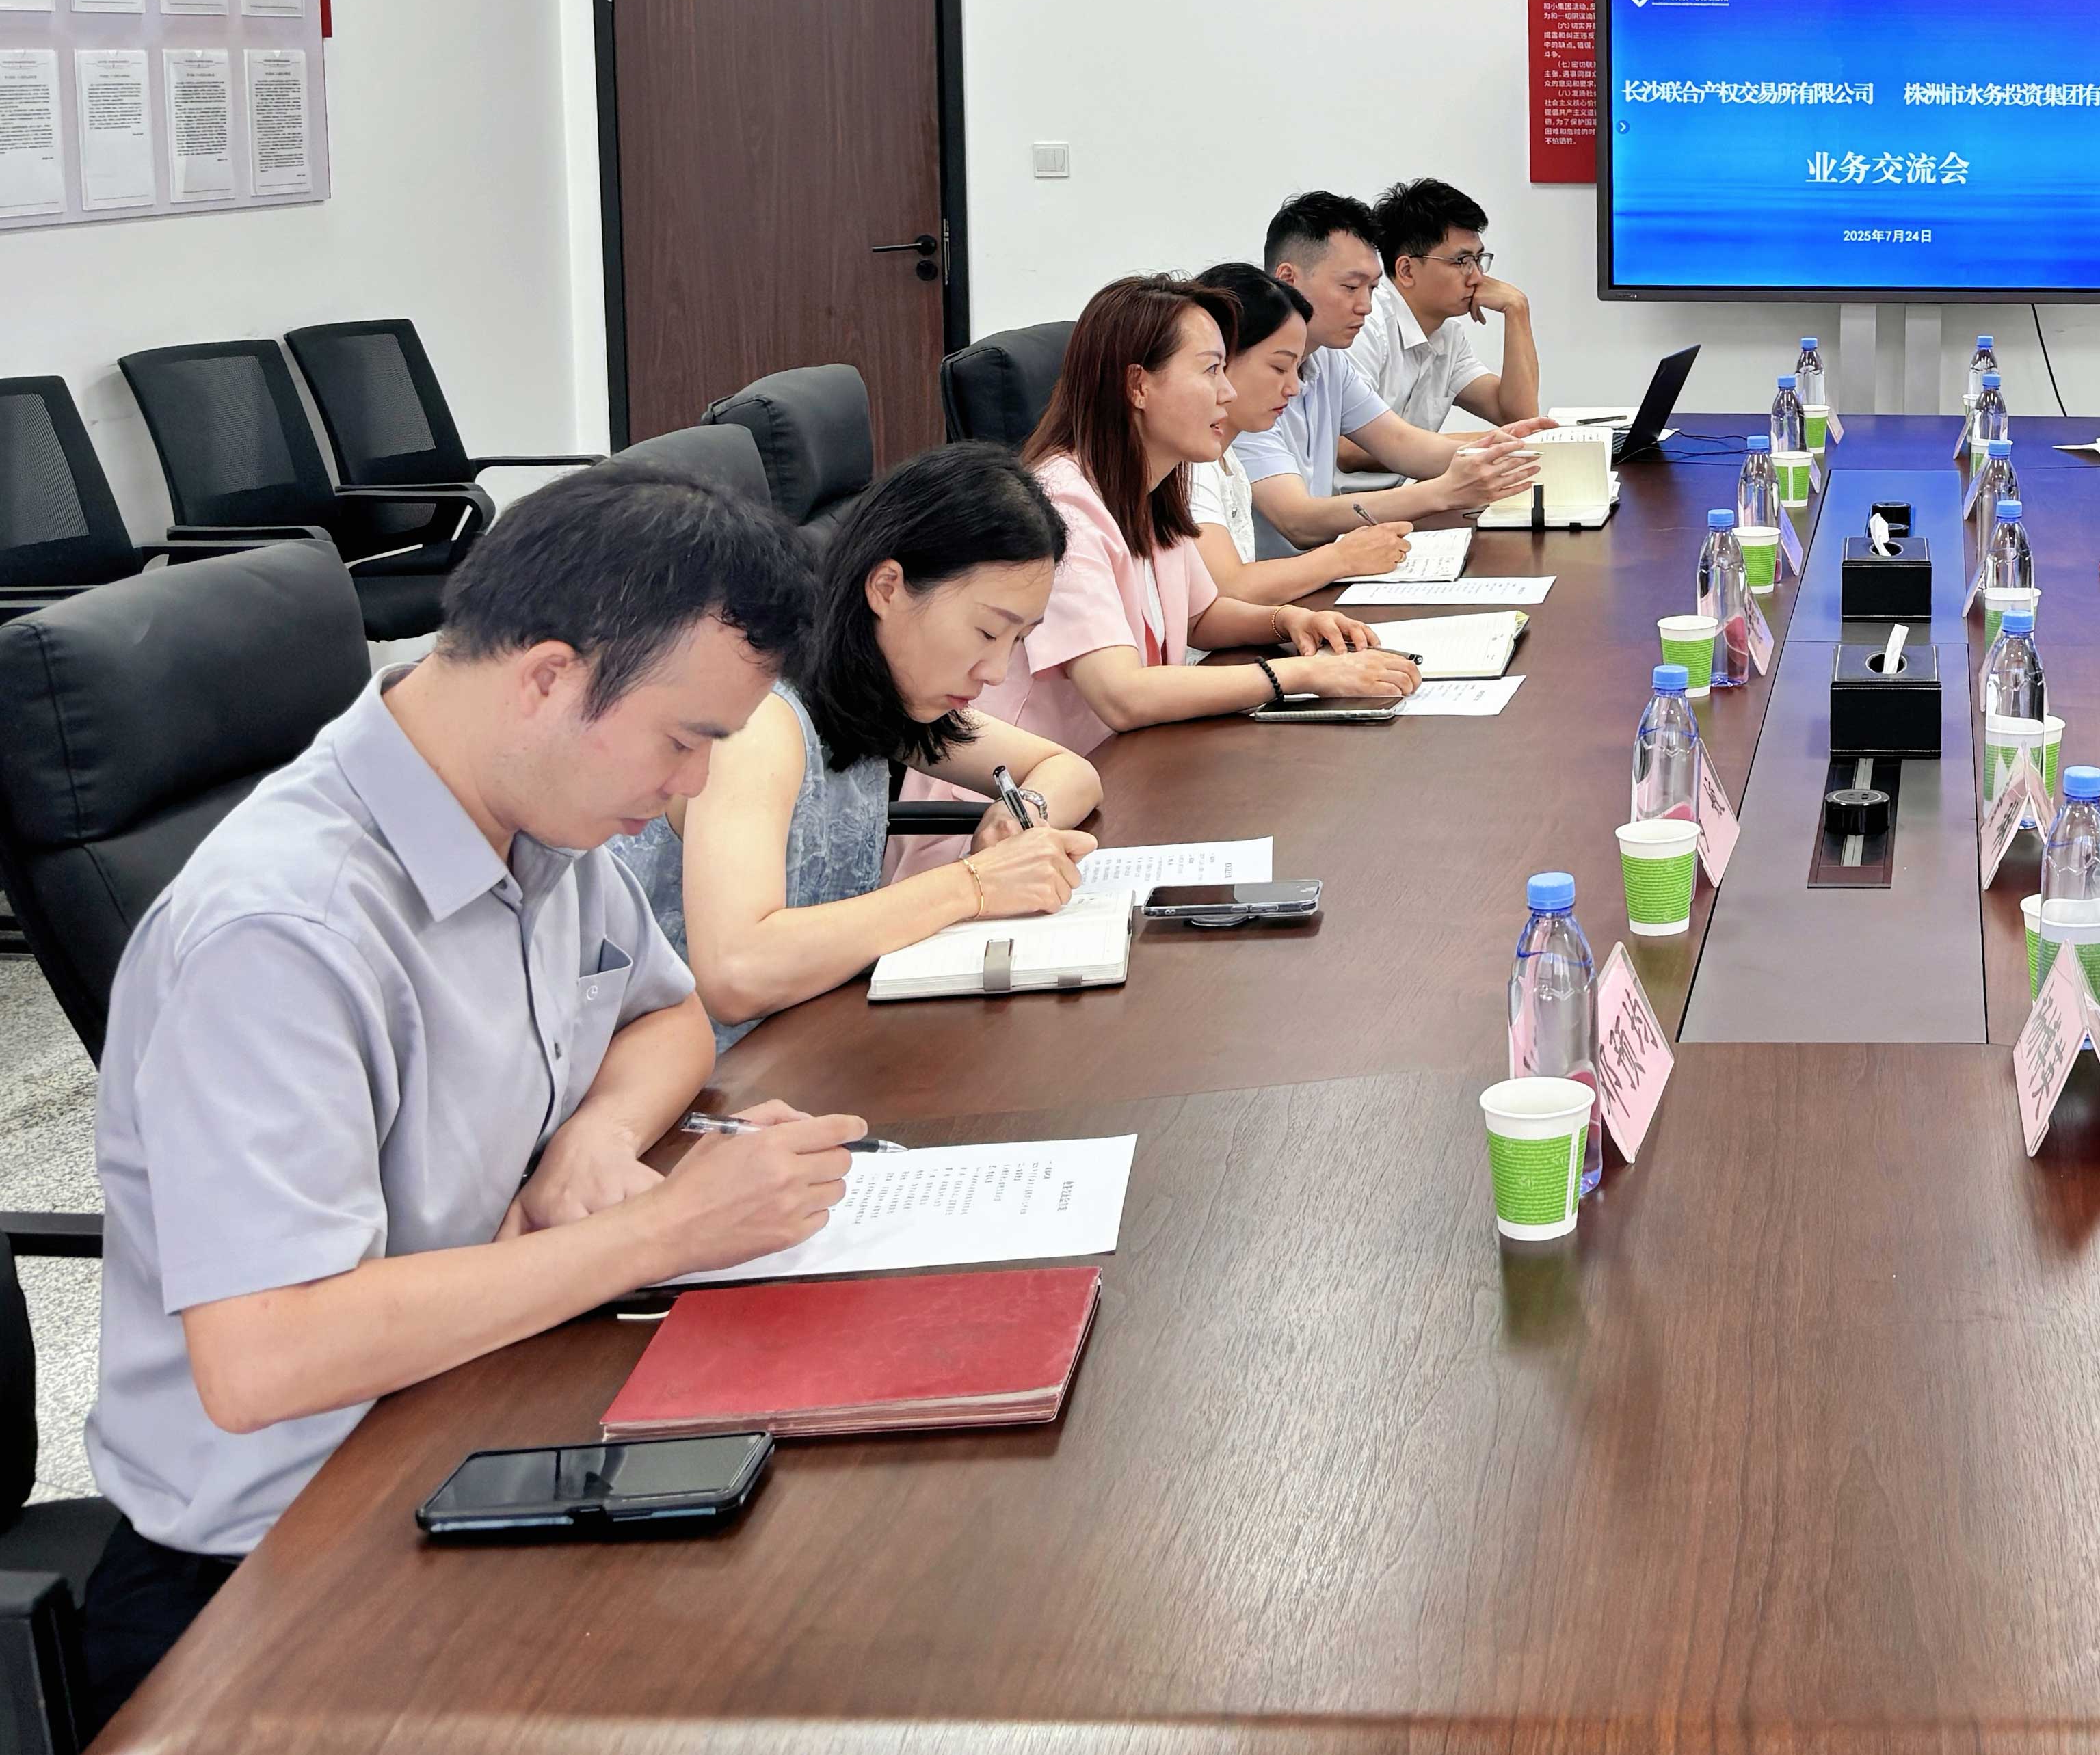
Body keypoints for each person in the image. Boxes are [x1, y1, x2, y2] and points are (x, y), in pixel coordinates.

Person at [83, 468, 867, 1721]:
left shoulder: (538, 812)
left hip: (489, 1401)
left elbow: (665, 1015)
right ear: (548, 677)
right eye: (685, 741)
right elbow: (266, 1357)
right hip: (285, 1566)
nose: (692, 788)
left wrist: (596, 1138)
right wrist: (663, 1231)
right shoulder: (282, 932)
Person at [617, 443, 1108, 1045]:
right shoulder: (762, 719)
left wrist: (1020, 813)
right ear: (887, 587)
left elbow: (1068, 770)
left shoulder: (883, 696)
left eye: (1018, 640)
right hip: (709, 1072)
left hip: (815, 1041)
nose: (996, 671)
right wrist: (975, 884)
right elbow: (735, 972)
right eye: (986, 631)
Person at [998, 273, 1418, 754]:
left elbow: (1201, 615)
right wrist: (1301, 674)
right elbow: (1122, 696)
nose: (1228, 392)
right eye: (1211, 370)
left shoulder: (1153, 481)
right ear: (1138, 385)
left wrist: (1288, 621)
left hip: (1120, 761)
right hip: (1025, 787)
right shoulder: (1064, 505)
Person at [1239, 191, 1541, 548]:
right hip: (1286, 569)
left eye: (1372, 288)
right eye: (1351, 287)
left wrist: (1500, 448)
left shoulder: (1328, 358)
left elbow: (1401, 443)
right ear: (1288, 279)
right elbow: (1298, 521)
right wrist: (1445, 490)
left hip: (1324, 558)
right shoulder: (1241, 374)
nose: (1365, 306)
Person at [1186, 260, 1411, 610]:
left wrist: (1291, 621)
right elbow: (1229, 589)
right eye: (1279, 367)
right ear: (1221, 359)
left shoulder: (1226, 458)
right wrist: (1344, 557)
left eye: (1296, 368)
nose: (1293, 388)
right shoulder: (1191, 464)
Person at [1359, 176, 1543, 429]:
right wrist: (1481, 444)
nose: (1477, 277)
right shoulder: (1366, 326)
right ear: (1407, 271)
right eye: (1462, 262)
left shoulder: (1447, 336)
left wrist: (1518, 309)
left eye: (1478, 259)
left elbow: (1519, 418)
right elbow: (1345, 446)